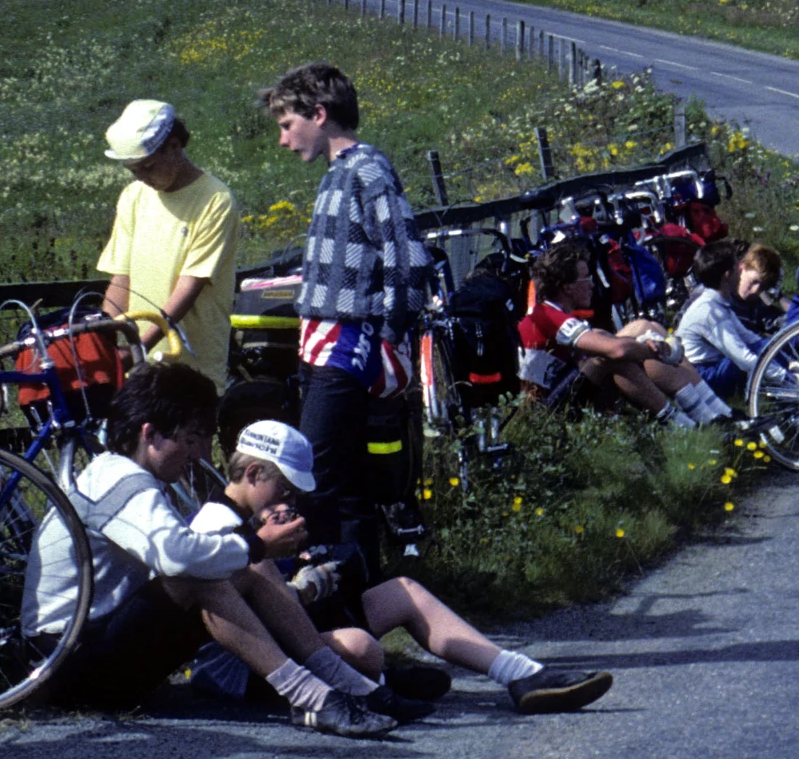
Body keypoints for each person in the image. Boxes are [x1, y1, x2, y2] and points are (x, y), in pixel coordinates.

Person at [26, 362, 398, 736]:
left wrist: (252, 551)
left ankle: (344, 687)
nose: (199, 454)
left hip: (80, 651)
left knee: (234, 565)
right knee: (198, 573)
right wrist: (256, 545)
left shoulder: (123, 475)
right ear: (150, 434)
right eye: (191, 439)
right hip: (66, 664)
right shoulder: (122, 480)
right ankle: (313, 696)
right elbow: (178, 557)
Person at [198, 422, 612, 714]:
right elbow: (227, 613)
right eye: (285, 489)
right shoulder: (216, 526)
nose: (289, 501)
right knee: (360, 646)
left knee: (402, 591)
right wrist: (303, 589)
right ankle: (381, 682)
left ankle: (519, 674)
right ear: (253, 473)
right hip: (242, 662)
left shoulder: (252, 519)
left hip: (286, 632)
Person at [263, 61, 437, 575]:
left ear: (319, 115)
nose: (282, 139)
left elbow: (408, 258)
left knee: (315, 470)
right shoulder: (340, 173)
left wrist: (390, 334)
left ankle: (328, 588)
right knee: (347, 482)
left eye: (287, 124)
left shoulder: (367, 170)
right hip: (324, 340)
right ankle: (362, 593)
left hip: (348, 343)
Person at [95, 98, 239, 378]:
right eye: (133, 170)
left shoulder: (215, 200)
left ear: (174, 146)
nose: (141, 177)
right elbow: (121, 279)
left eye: (147, 167)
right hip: (141, 363)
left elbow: (189, 287)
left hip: (192, 366)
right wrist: (103, 342)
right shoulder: (133, 196)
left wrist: (140, 346)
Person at [521, 236, 727, 424]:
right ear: (567, 287)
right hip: (545, 413)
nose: (592, 284)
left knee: (643, 326)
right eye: (586, 278)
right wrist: (656, 350)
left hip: (561, 392)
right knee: (609, 355)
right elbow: (616, 351)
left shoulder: (554, 313)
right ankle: (681, 423)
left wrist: (645, 342)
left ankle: (716, 409)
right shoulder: (549, 317)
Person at [671, 239, 780, 406]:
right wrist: (783, 376)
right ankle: (780, 389)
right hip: (701, 376)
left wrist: (779, 351)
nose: (740, 271)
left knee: (763, 346)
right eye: (737, 267)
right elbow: (742, 357)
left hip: (714, 365)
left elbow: (750, 338)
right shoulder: (710, 311)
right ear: (727, 275)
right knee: (739, 361)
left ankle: (790, 384)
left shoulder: (719, 302)